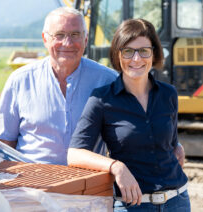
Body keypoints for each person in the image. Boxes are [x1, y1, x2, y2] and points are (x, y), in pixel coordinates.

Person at [0, 7, 185, 166]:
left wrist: (171, 144)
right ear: (45, 39)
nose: (67, 43)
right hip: (33, 192)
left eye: (75, 34)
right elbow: (4, 143)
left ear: (86, 40)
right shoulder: (20, 81)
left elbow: (137, 126)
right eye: (59, 35)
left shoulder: (107, 80)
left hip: (89, 193)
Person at [68, 19, 190, 211]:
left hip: (177, 201)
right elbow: (74, 154)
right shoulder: (102, 100)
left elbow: (171, 143)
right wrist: (117, 167)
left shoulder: (168, 94)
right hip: (133, 205)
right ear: (118, 55)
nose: (136, 59)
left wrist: (176, 145)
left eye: (144, 51)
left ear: (154, 53)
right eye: (128, 51)